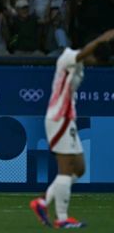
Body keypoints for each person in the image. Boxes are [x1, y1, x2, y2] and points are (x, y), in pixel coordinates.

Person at [30, 29, 114, 229]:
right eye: (96, 60)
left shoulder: (81, 65)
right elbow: (88, 49)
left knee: (80, 168)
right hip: (58, 118)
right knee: (66, 170)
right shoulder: (69, 57)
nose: (95, 64)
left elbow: (90, 51)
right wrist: (106, 36)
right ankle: (62, 218)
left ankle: (42, 201)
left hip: (68, 120)